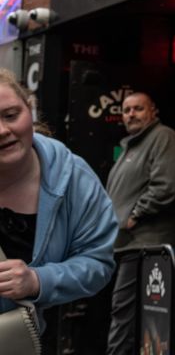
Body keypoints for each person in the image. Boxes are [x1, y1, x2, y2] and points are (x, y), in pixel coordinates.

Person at [0, 68, 117, 333]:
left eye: (10, 115)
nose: (2, 131)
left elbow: (98, 261)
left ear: (29, 110)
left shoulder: (72, 177)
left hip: (16, 341)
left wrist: (37, 281)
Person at [105, 91, 175, 355]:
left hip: (147, 246)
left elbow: (167, 185)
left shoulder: (163, 137)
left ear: (153, 112)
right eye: (127, 110)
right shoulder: (130, 145)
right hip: (126, 245)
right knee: (128, 317)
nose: (131, 115)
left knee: (132, 318)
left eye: (138, 109)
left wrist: (135, 214)